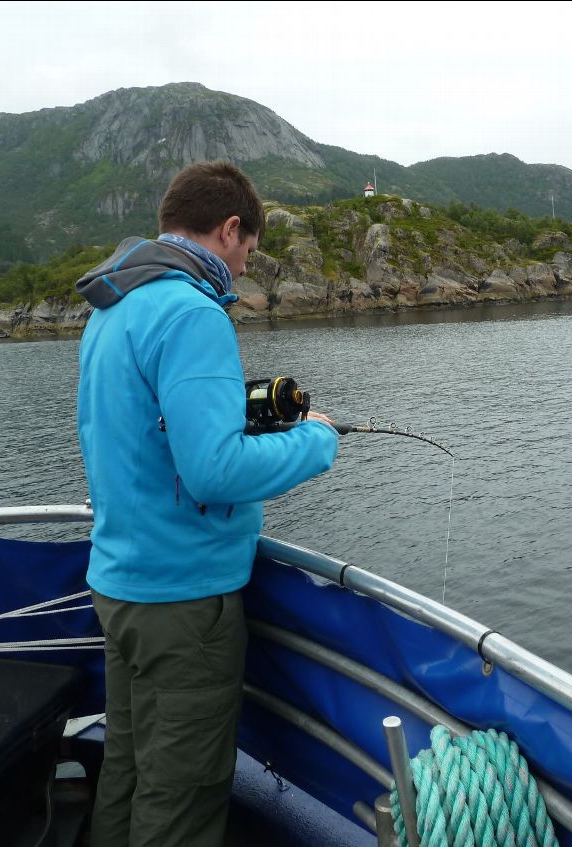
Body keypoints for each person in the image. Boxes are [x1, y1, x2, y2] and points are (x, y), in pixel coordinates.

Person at [75, 160, 339, 847]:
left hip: (121, 587)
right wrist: (315, 442)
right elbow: (214, 470)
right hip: (183, 605)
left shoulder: (113, 309)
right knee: (182, 797)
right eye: (250, 247)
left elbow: (141, 438)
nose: (249, 263)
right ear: (228, 230)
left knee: (128, 773)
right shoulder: (193, 313)